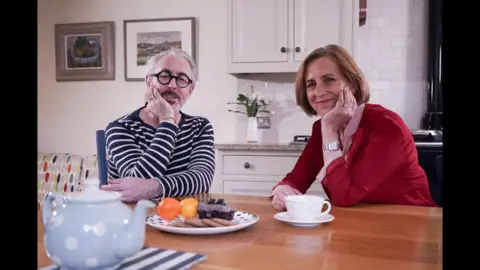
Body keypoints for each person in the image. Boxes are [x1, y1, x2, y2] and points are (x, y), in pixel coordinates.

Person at [271, 44, 437, 210]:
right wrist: (281, 190)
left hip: (410, 223)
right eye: (311, 84)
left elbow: (344, 196)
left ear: (352, 84)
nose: (319, 92)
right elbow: (296, 179)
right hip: (356, 224)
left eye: (329, 80)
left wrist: (329, 131)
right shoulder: (320, 128)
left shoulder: (386, 125)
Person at [101, 48, 215, 202]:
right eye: (164, 76)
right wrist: (167, 122)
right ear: (149, 81)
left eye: (182, 79)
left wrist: (154, 187)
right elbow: (135, 183)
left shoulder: (200, 127)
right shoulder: (120, 128)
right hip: (135, 219)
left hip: (183, 220)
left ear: (190, 90)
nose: (172, 85)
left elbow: (201, 179)